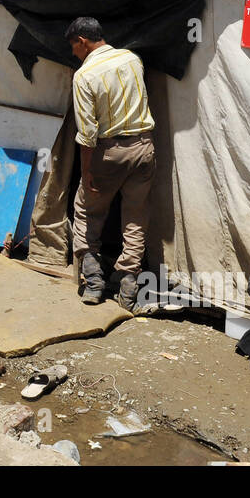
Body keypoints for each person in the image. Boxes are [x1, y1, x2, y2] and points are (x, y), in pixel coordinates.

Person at [65, 16, 156, 308]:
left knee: (87, 212)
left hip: (109, 152)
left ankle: (93, 282)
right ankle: (128, 287)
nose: (73, 54)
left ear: (82, 41)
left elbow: (88, 133)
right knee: (136, 218)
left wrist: (88, 171)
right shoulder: (132, 59)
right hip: (144, 148)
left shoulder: (84, 75)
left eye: (73, 47)